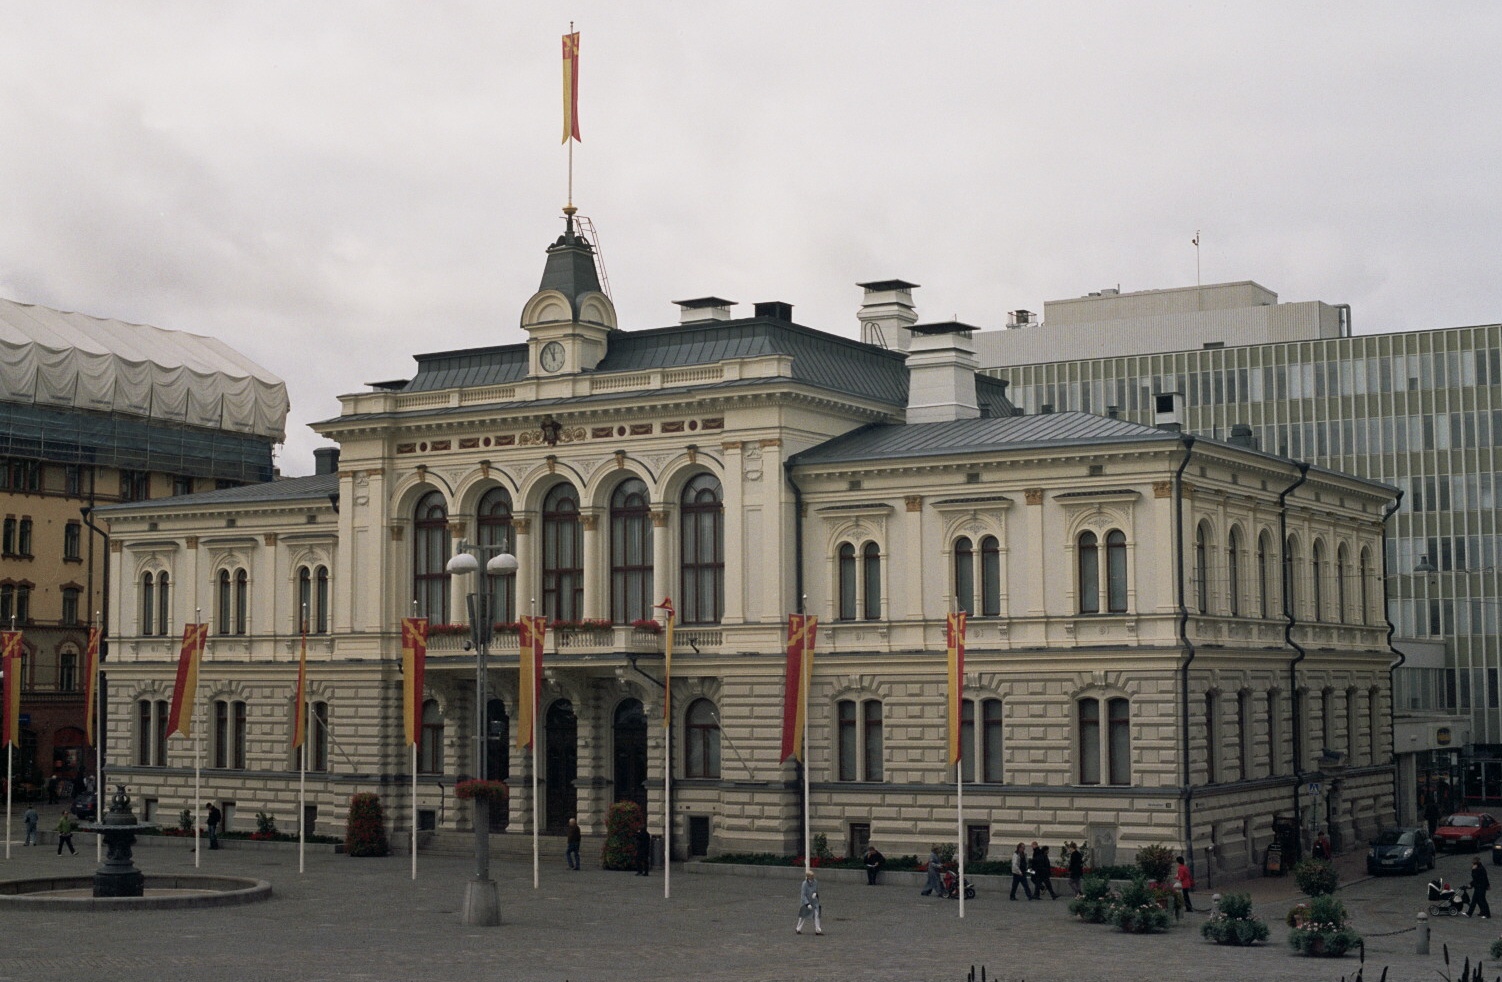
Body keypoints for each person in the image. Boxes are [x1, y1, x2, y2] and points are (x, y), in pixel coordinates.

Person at [795, 870, 823, 935]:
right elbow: (803, 895)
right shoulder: (804, 884)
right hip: (806, 902)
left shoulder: (815, 882)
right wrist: (807, 904)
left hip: (814, 901)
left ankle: (818, 930)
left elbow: (816, 890)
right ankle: (798, 928)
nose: (813, 877)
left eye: (813, 876)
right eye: (811, 876)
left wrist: (815, 894)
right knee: (803, 916)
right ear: (808, 877)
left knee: (816, 915)